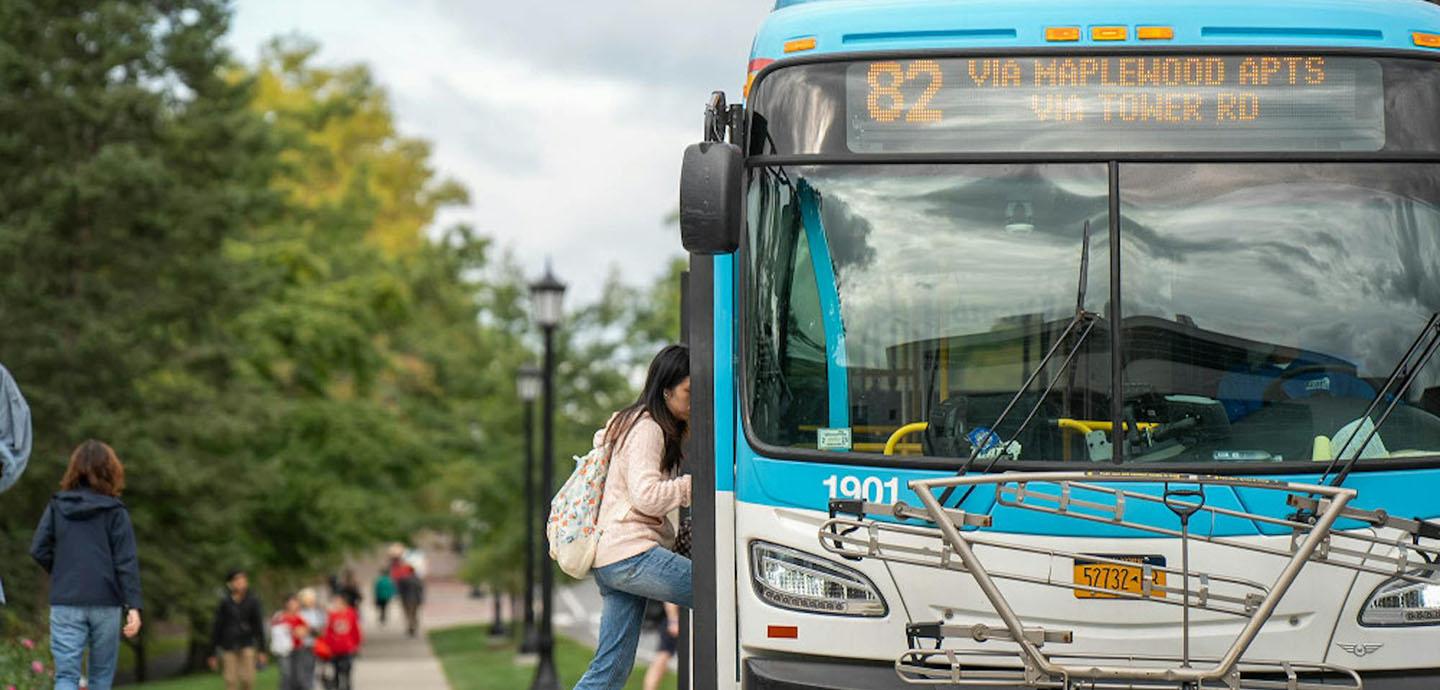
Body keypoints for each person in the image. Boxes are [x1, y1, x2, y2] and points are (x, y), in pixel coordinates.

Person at [574, 344, 694, 690]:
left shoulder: (639, 425)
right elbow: (647, 496)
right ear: (666, 389)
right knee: (722, 593)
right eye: (689, 391)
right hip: (631, 555)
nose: (694, 399)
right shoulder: (647, 428)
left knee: (609, 672)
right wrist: (695, 485)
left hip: (614, 558)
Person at [28, 440, 143, 690]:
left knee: (66, 677)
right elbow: (126, 561)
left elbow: (38, 549)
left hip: (66, 599)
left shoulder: (57, 506)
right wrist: (133, 606)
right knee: (101, 679)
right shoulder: (116, 511)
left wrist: (62, 571)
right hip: (106, 600)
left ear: (74, 469)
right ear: (111, 470)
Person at [209, 569, 267, 690]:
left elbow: (258, 626)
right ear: (230, 584)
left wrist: (262, 649)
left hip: (247, 643)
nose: (241, 582)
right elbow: (217, 627)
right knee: (230, 681)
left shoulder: (253, 601)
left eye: (243, 580)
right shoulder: (224, 603)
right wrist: (212, 653)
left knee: (248, 679)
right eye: (237, 580)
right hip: (228, 645)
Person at [321, 593, 361, 690]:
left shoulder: (351, 614)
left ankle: (347, 687)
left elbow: (355, 630)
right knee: (336, 672)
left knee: (346, 671)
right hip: (334, 649)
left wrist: (356, 644)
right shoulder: (332, 616)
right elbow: (328, 632)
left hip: (347, 648)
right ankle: (337, 686)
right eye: (335, 603)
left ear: (344, 603)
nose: (336, 605)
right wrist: (327, 645)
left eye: (338, 603)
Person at [269, 595, 308, 690]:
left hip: (298, 649)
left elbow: (304, 631)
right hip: (284, 650)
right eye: (291, 603)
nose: (293, 605)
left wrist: (296, 631)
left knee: (299, 675)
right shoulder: (279, 616)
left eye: (295, 603)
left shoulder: (300, 617)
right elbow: (275, 631)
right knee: (286, 674)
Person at [643, 603, 681, 690]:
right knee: (663, 656)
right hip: (675, 618)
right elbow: (671, 595)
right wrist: (673, 619)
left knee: (663, 657)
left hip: (675, 618)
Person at [389, 545, 425, 637]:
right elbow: (421, 590)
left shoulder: (403, 579)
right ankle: (413, 625)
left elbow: (399, 589)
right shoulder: (418, 579)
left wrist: (397, 595)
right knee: (414, 613)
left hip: (406, 599)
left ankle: (411, 626)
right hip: (415, 599)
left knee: (408, 613)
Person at [294, 588, 325, 690]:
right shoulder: (299, 613)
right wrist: (309, 630)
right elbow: (297, 631)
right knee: (301, 673)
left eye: (311, 599)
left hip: (314, 646)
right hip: (301, 646)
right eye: (307, 599)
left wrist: (309, 630)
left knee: (313, 671)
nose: (310, 601)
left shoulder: (318, 613)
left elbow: (321, 630)